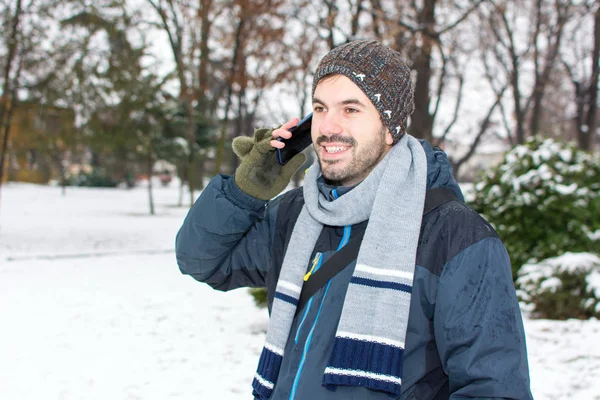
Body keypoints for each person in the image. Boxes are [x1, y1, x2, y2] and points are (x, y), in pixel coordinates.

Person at [175, 40, 532, 400]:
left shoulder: (457, 237)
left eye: (350, 109)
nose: (328, 126)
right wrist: (245, 190)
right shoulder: (294, 214)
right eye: (320, 108)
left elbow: (494, 390)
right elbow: (203, 260)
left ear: (390, 126)